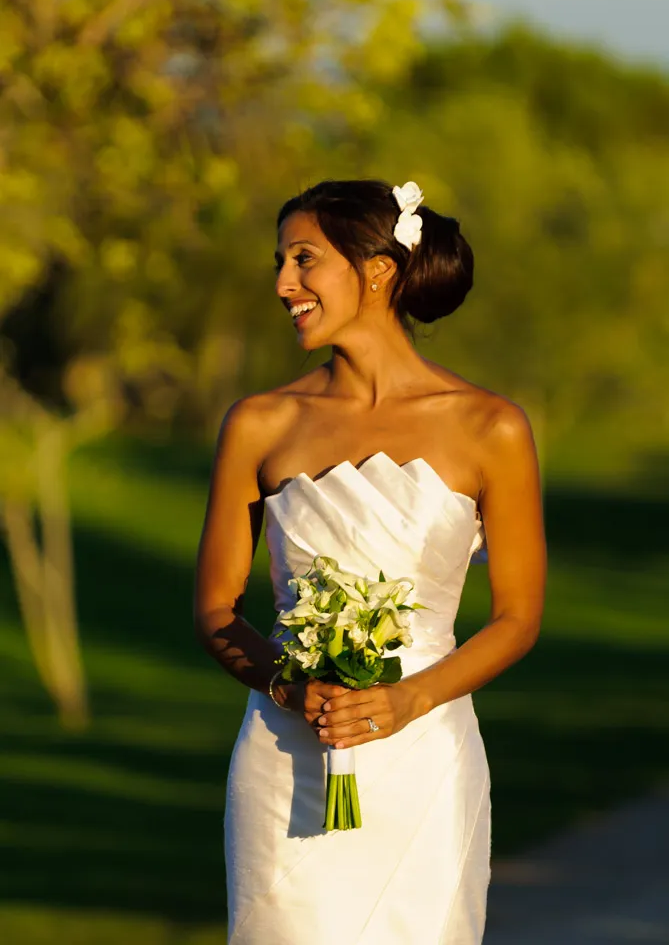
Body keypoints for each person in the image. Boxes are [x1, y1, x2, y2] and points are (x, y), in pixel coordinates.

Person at [194, 178, 546, 945]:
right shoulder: (259, 423)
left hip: (425, 759)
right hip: (284, 757)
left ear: (377, 270)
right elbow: (217, 608)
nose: (283, 283)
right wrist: (287, 687)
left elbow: (517, 619)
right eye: (282, 261)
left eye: (304, 259)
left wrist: (406, 702)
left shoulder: (491, 427)